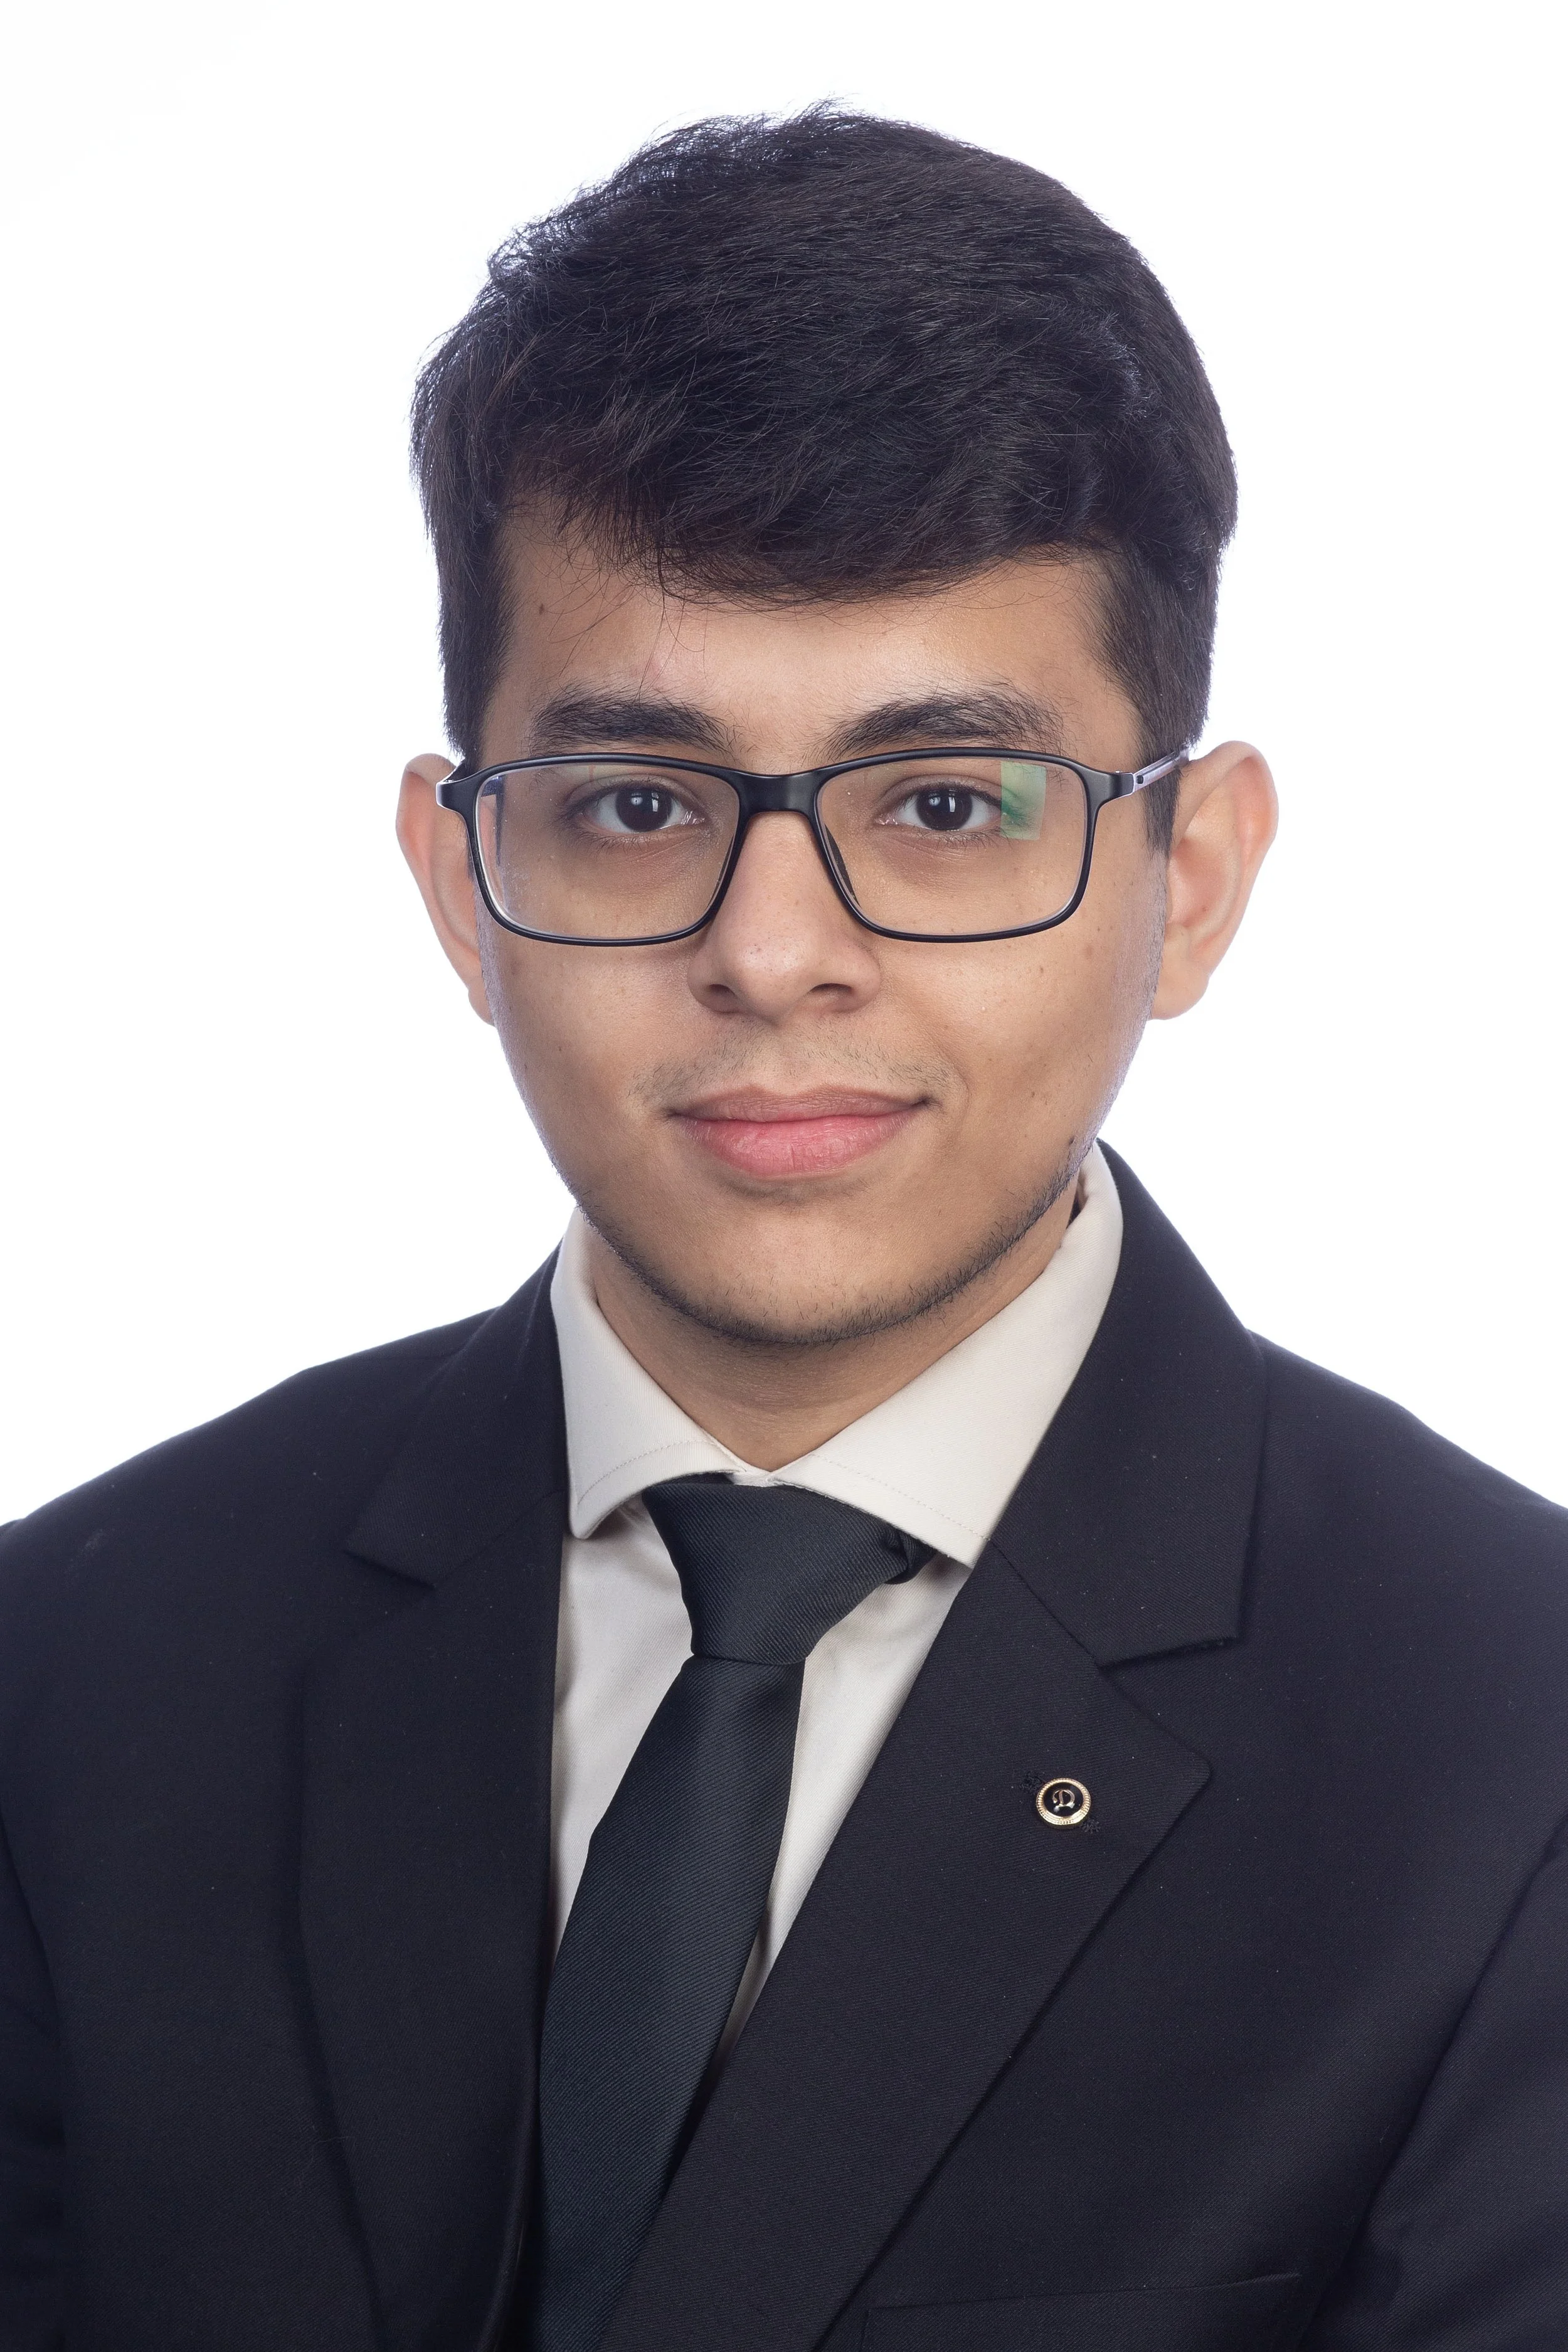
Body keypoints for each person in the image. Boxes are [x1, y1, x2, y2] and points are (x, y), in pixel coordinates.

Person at [2, 106, 1565, 2352]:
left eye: (943, 805)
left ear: (1189, 877)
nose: (772, 951)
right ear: (462, 878)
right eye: (636, 804)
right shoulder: (77, 1666)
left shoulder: (1513, 1752)